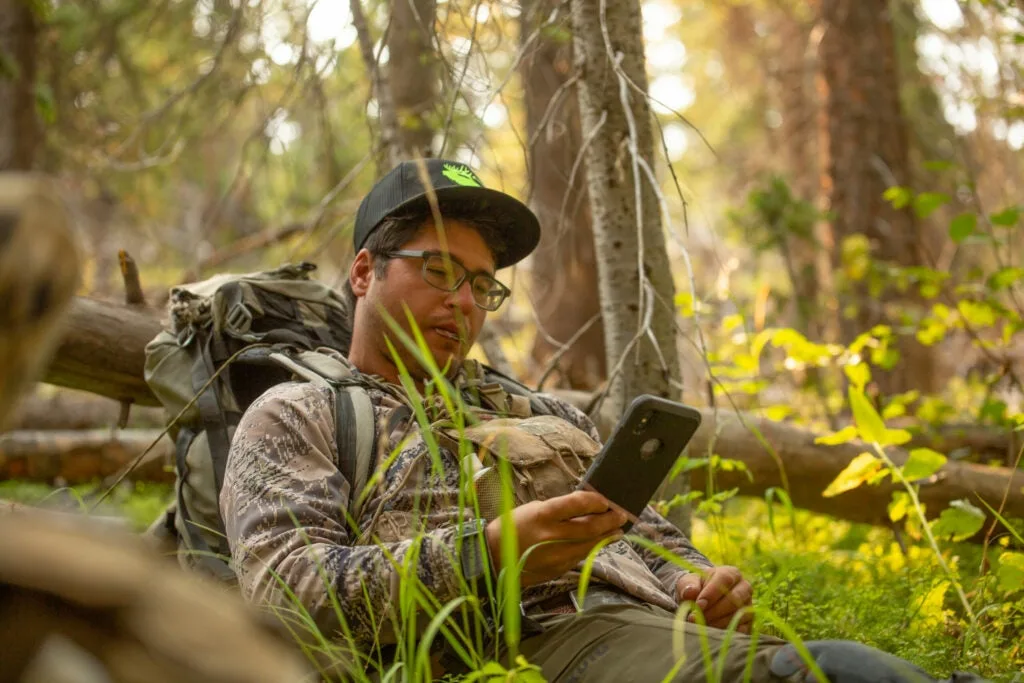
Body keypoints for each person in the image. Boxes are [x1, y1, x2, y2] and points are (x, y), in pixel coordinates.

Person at [219, 159, 986, 682]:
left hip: (654, 635)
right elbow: (284, 596)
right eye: (439, 270)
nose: (462, 300)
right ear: (364, 272)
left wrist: (704, 585)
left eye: (483, 285)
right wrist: (493, 553)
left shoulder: (539, 411)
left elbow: (653, 541)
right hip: (521, 649)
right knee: (834, 670)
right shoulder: (300, 413)